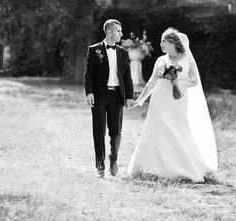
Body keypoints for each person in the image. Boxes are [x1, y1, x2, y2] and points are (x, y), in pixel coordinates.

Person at [127, 28, 217, 182]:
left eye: (164, 41)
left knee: (178, 130)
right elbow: (151, 82)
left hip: (178, 101)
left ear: (173, 43)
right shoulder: (160, 60)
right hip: (159, 100)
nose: (161, 43)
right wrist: (140, 100)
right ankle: (153, 167)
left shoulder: (187, 59)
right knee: (157, 130)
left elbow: (194, 81)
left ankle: (183, 167)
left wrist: (178, 82)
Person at [84, 19, 134, 178]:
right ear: (110, 32)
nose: (121, 34)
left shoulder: (123, 52)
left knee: (116, 131)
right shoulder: (94, 50)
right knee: (98, 130)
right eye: (119, 31)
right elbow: (88, 74)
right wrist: (89, 92)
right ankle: (100, 163)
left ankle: (114, 160)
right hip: (99, 95)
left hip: (116, 96)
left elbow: (127, 77)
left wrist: (129, 97)